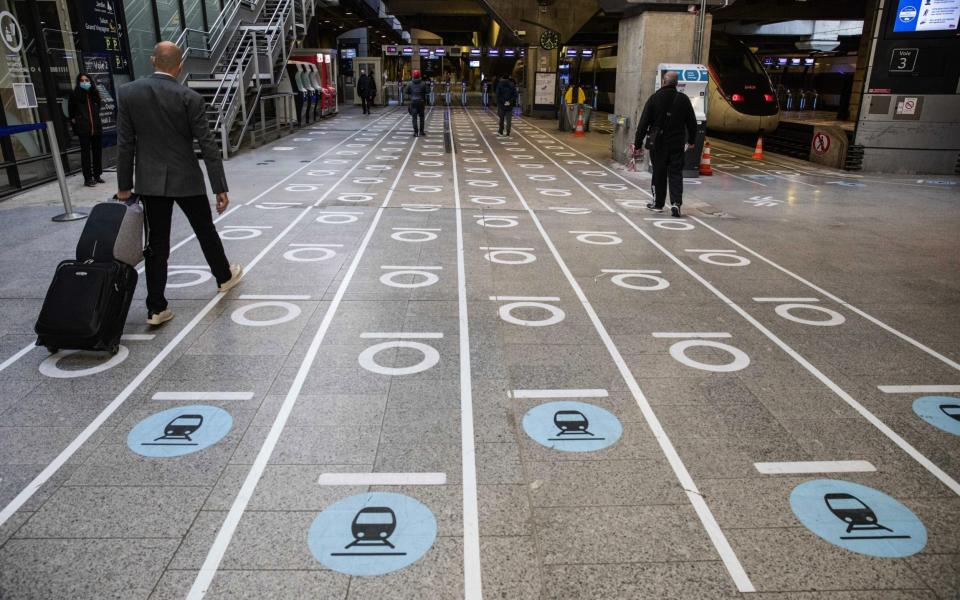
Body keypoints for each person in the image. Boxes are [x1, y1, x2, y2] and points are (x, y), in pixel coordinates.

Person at [116, 41, 243, 327]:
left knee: (156, 243)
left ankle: (156, 307)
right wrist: (219, 187)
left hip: (150, 182)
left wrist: (124, 185)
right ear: (180, 65)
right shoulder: (189, 98)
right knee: (204, 230)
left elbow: (125, 144)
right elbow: (208, 146)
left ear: (152, 61)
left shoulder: (128, 93)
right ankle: (223, 277)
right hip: (187, 178)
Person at [634, 70, 697, 218]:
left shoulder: (654, 99)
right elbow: (692, 123)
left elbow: (643, 124)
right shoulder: (683, 99)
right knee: (675, 173)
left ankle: (658, 204)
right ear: (676, 83)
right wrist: (692, 140)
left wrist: (637, 144)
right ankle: (676, 204)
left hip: (659, 143)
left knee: (659, 173)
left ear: (663, 82)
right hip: (677, 143)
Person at [69, 73, 104, 187]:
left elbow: (98, 107)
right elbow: (71, 113)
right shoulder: (75, 95)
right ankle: (88, 178)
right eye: (82, 80)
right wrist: (78, 122)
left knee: (97, 151)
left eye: (86, 80)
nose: (85, 82)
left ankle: (97, 175)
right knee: (86, 154)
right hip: (84, 129)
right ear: (79, 82)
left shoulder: (94, 94)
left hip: (96, 128)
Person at [404, 69, 427, 137]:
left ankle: (416, 132)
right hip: (421, 102)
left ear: (413, 75)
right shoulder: (423, 83)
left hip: (413, 102)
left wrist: (411, 93)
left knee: (414, 118)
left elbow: (406, 91)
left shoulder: (410, 83)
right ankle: (421, 131)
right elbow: (426, 91)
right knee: (422, 117)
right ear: (419, 75)